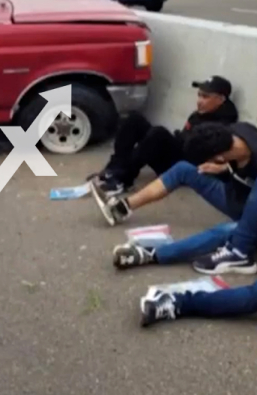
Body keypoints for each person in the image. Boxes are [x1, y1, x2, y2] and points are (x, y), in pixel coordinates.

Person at [96, 122, 257, 327]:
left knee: (228, 231)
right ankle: (124, 210)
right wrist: (224, 167)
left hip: (249, 212)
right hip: (236, 199)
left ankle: (179, 296)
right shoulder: (236, 134)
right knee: (184, 170)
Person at [90, 76, 237, 196]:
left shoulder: (223, 125)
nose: (199, 101)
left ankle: (123, 180)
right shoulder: (201, 114)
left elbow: (195, 153)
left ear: (220, 99)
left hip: (184, 167)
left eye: (205, 97)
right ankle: (113, 169)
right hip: (178, 154)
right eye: (199, 95)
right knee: (134, 119)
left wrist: (171, 141)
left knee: (158, 134)